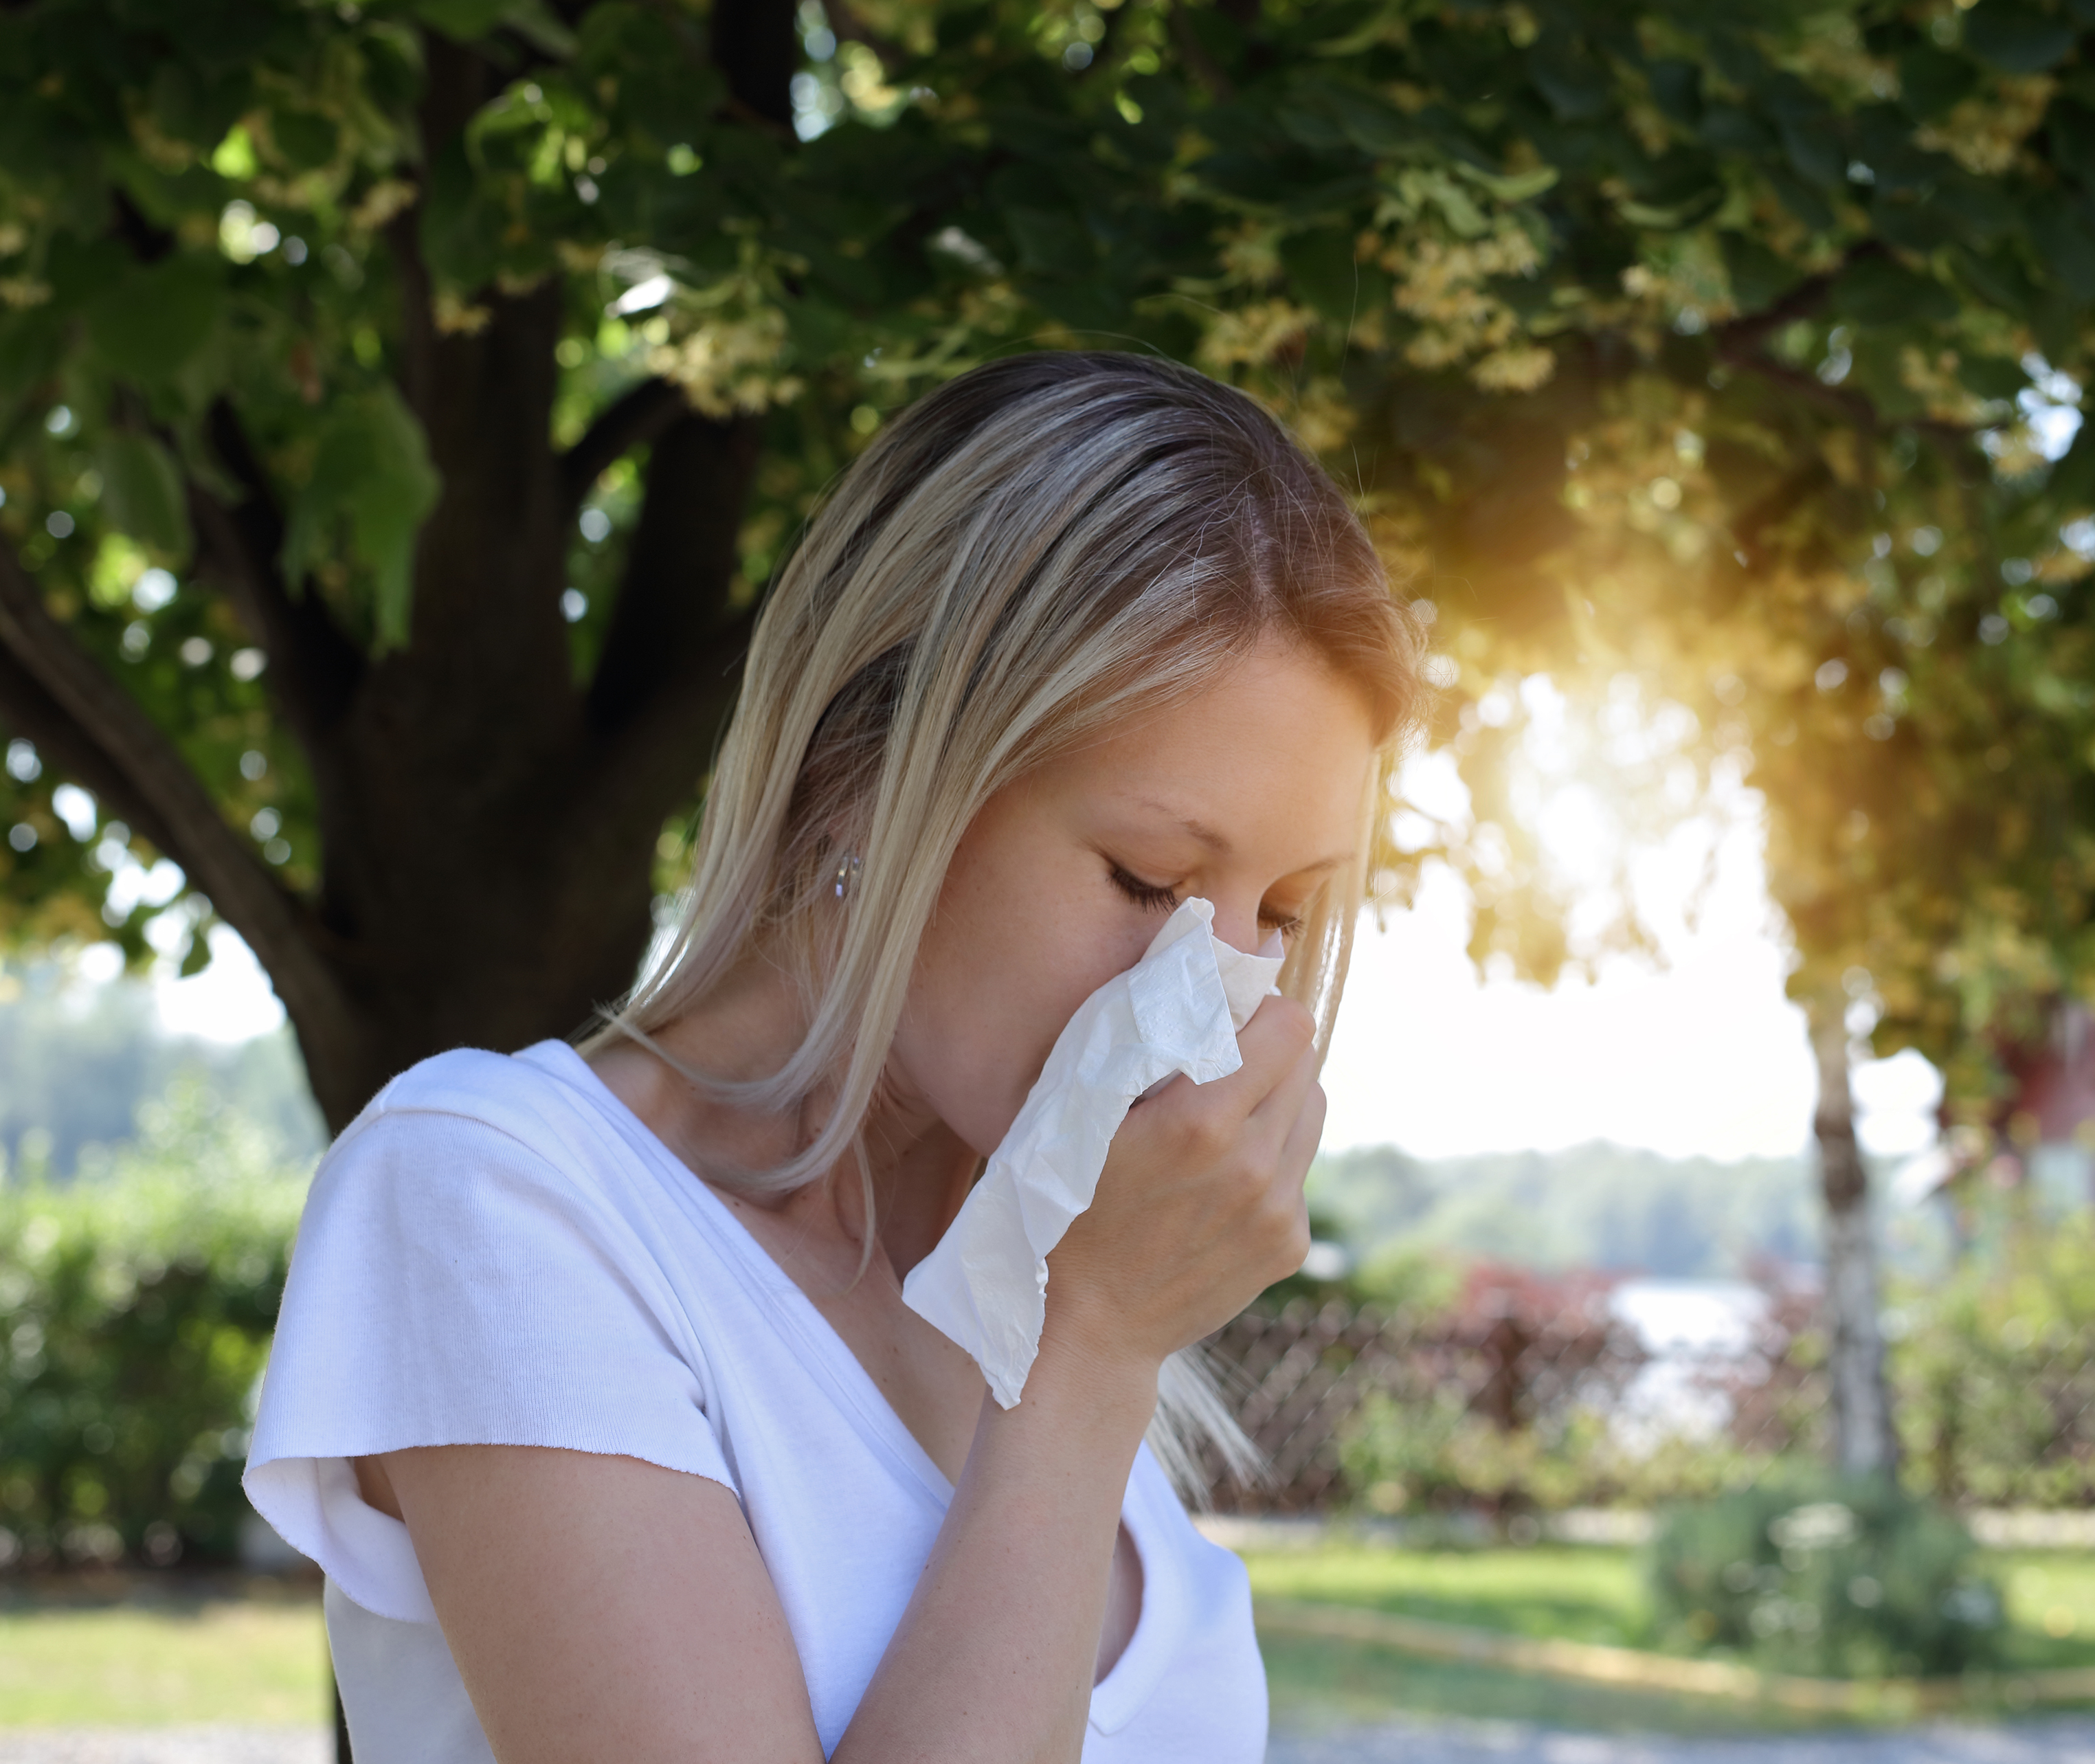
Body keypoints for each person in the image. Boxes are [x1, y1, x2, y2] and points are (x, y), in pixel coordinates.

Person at [245, 351, 1423, 1763]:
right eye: (1148, 876)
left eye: (1282, 914)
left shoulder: (1028, 1276)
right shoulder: (495, 1193)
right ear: (867, 765)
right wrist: (1093, 1354)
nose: (1217, 995)